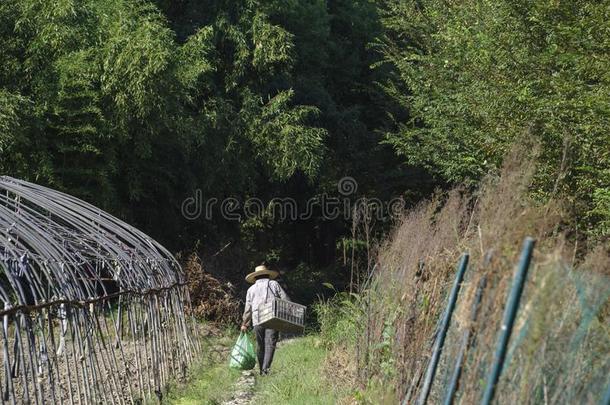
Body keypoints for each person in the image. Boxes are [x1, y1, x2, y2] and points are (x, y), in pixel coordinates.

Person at [240, 264, 288, 375]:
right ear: (267, 274)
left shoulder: (251, 289)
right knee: (270, 343)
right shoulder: (274, 284)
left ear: (255, 277)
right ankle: (265, 370)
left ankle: (262, 369)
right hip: (272, 317)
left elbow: (248, 308)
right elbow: (284, 299)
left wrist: (245, 323)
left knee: (260, 345)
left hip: (257, 319)